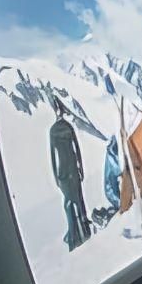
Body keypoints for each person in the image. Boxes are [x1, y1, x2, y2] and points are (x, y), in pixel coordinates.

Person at [49, 98, 92, 251]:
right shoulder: (67, 126)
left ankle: (74, 234)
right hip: (72, 166)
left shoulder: (53, 130)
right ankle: (84, 229)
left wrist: (56, 177)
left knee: (68, 202)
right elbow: (77, 148)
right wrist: (81, 167)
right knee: (78, 199)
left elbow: (53, 157)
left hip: (63, 170)